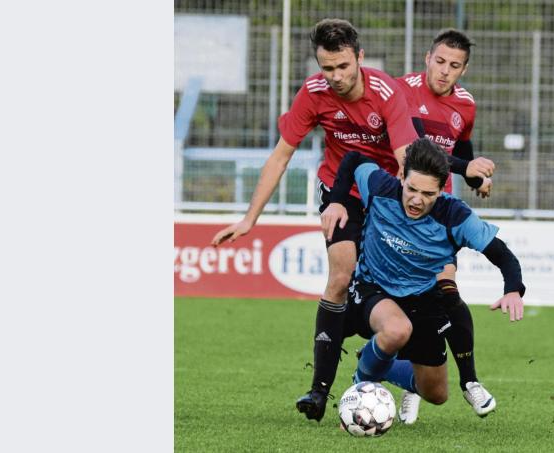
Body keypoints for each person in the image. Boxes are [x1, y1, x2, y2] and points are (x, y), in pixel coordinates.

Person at [209, 19, 491, 423]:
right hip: (338, 194)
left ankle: (399, 360)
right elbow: (281, 155)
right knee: (340, 277)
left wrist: (416, 216)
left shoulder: (386, 93)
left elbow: (405, 162)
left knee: (418, 288)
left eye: (343, 66)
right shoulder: (312, 93)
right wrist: (250, 218)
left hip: (382, 194)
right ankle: (319, 391)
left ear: (359, 57)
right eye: (327, 68)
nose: (336, 77)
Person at [321, 138, 526, 416]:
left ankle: (380, 362)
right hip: (373, 289)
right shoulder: (380, 186)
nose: (417, 200)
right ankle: (361, 388)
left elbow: (502, 255)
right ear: (401, 176)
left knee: (436, 393)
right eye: (411, 189)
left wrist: (513, 289)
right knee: (396, 329)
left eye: (428, 194)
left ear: (442, 189)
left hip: (424, 300)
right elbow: (353, 159)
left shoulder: (455, 216)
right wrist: (336, 202)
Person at [393, 29, 495, 423]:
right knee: (405, 301)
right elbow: (419, 151)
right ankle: (411, 384)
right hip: (403, 206)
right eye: (440, 61)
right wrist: (466, 167)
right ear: (427, 58)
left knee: (447, 292)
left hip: (439, 210)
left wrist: (476, 178)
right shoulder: (402, 91)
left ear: (464, 69)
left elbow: (461, 151)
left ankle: (470, 382)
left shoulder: (465, 105)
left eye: (455, 66)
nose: (445, 71)